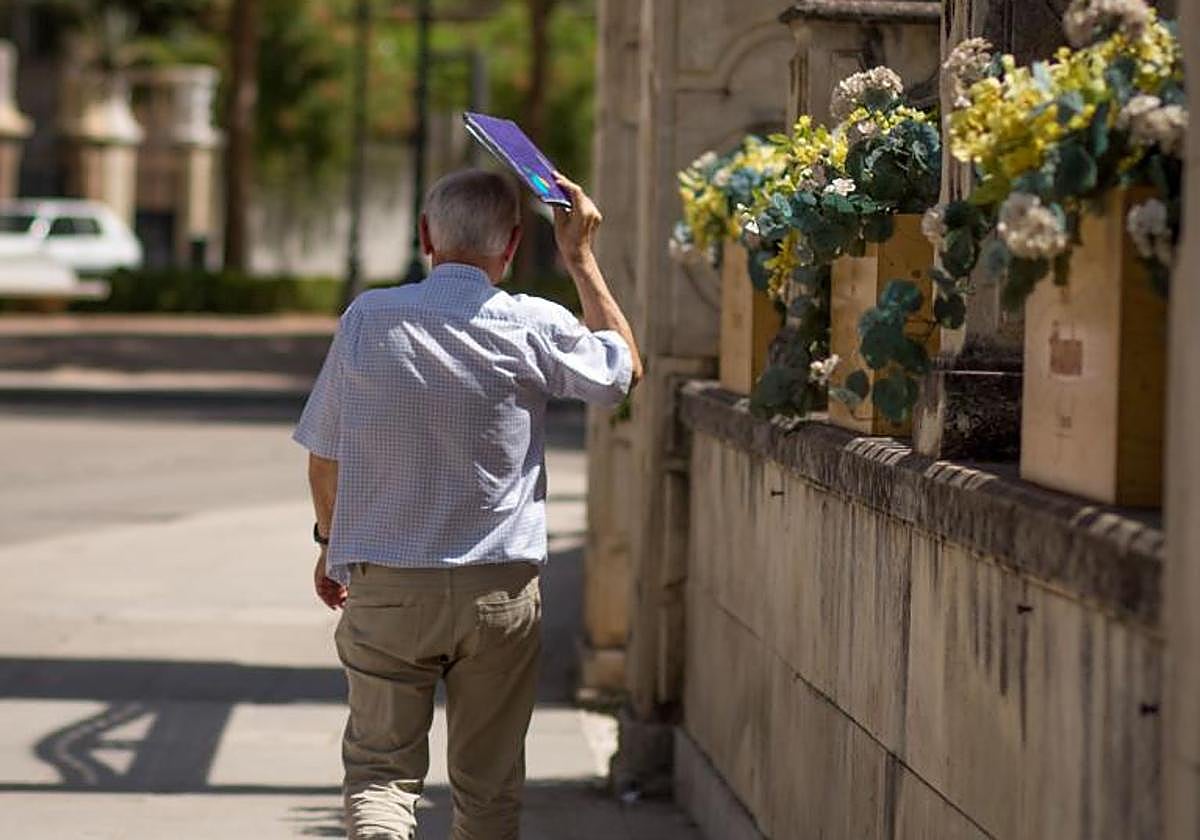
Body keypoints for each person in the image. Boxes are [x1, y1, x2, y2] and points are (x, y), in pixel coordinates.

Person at [293, 168, 641, 840]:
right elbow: (622, 371)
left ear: (426, 237)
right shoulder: (532, 323)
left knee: (380, 775)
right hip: (499, 595)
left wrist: (328, 545)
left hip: (389, 589)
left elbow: (324, 456)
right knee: (488, 789)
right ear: (510, 246)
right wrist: (580, 257)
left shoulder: (368, 319)